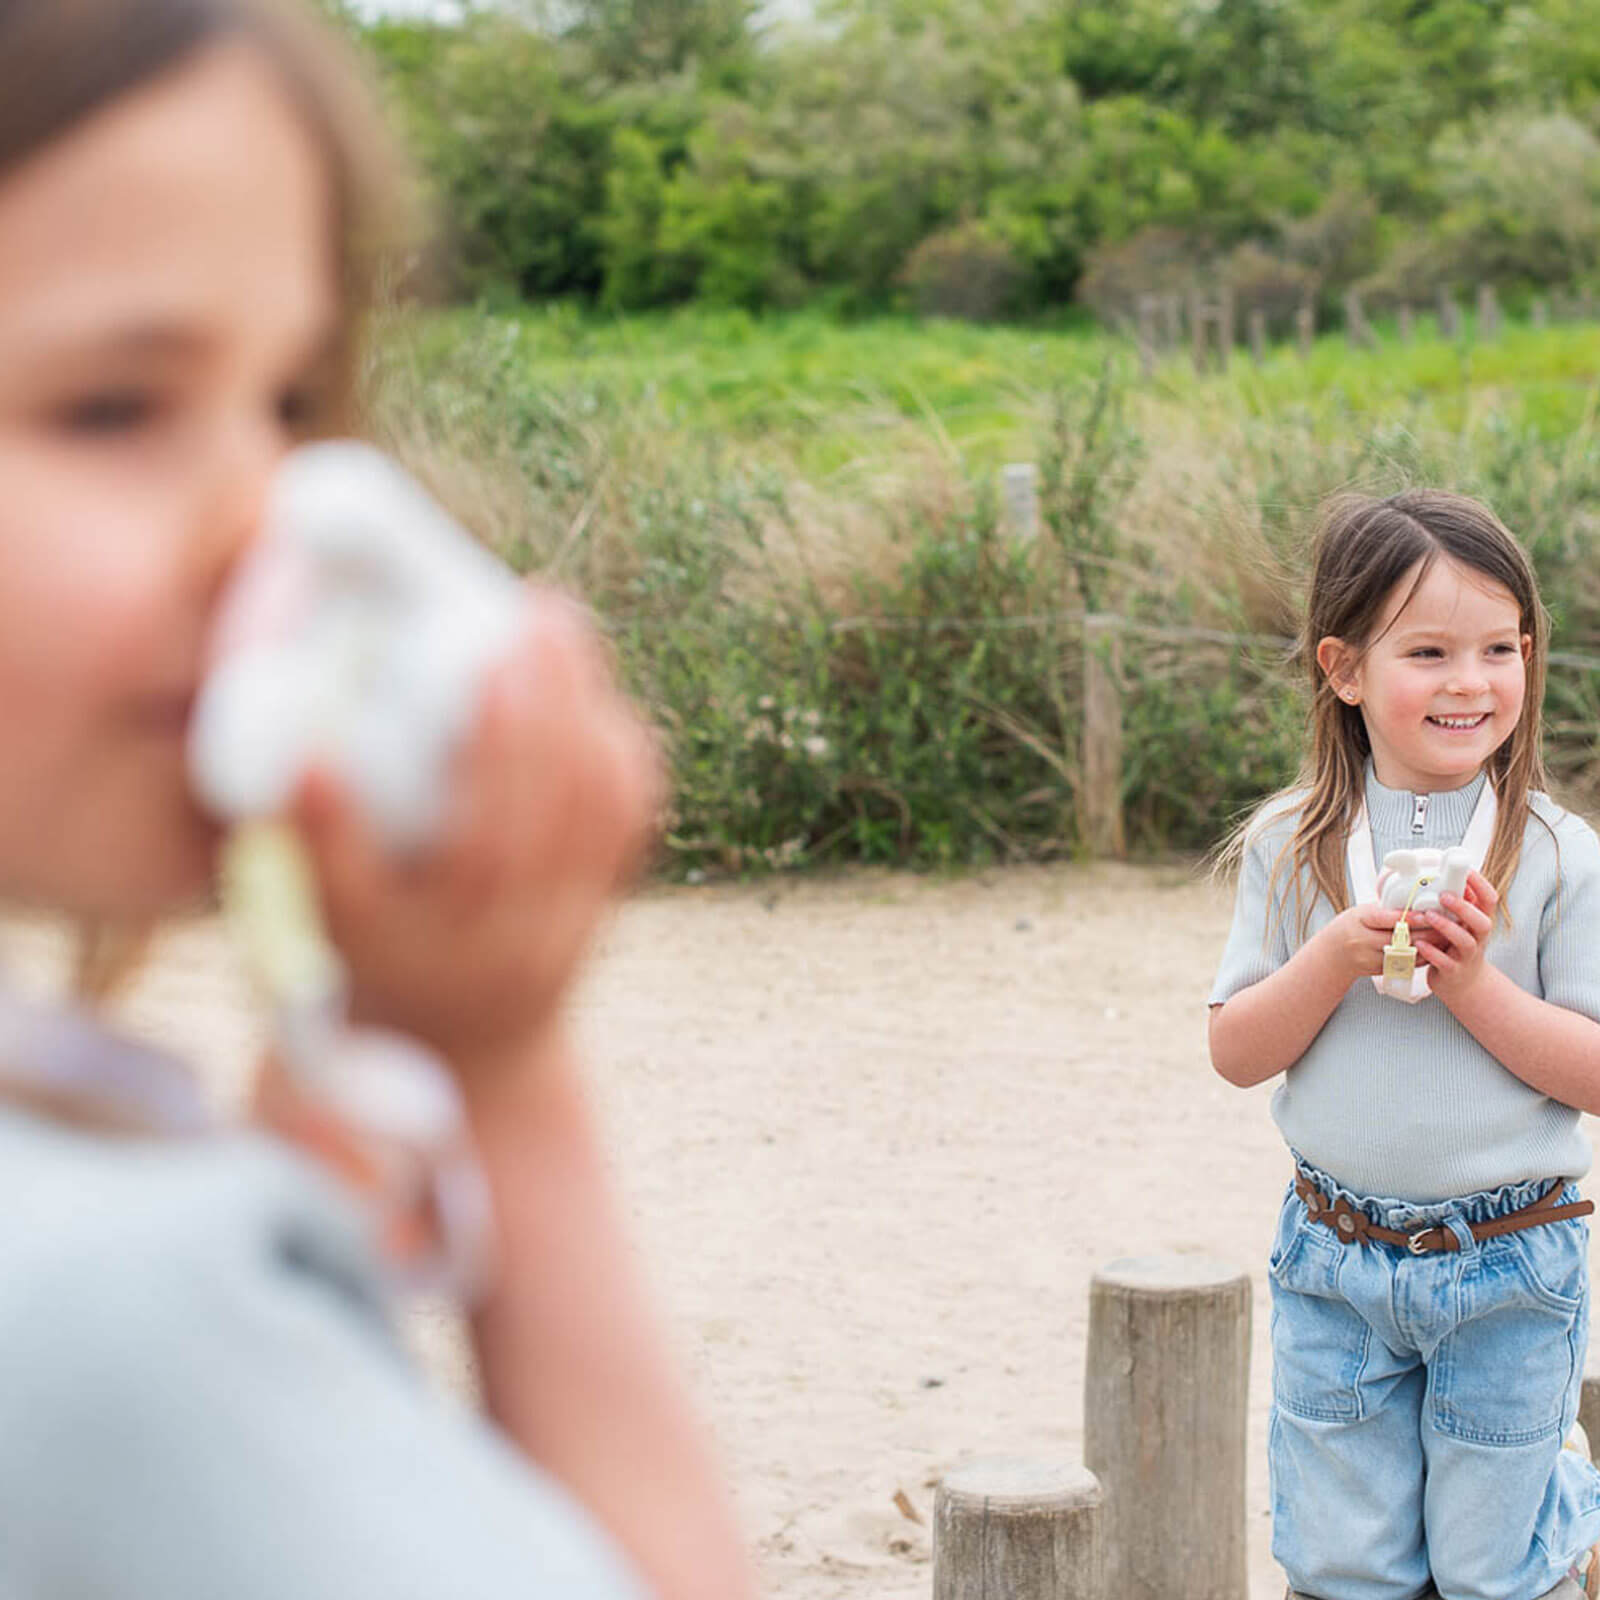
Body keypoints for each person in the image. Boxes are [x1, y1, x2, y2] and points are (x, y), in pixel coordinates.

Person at [0, 2, 751, 1597]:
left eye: (289, 401)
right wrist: (504, 1074)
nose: (284, 522)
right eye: (114, 406)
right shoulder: (109, 1313)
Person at [1209, 489, 1600, 1600]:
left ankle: (1561, 1499)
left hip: (1511, 1256)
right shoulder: (1291, 844)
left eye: (1498, 649)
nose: (1469, 681)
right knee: (1343, 1564)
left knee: (1490, 1569)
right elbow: (1236, 1051)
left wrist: (1472, 985)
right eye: (1428, 652)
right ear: (1343, 668)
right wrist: (1333, 955)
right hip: (1334, 1251)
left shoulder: (1559, 855)